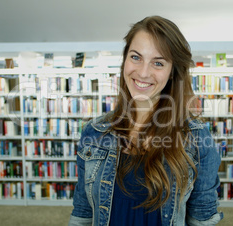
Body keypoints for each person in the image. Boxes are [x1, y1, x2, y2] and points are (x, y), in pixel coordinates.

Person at [69, 15, 223, 226]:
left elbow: (202, 221)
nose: (142, 72)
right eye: (136, 57)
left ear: (171, 72)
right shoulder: (94, 133)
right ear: (124, 60)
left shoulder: (197, 139)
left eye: (158, 63)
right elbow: (83, 214)